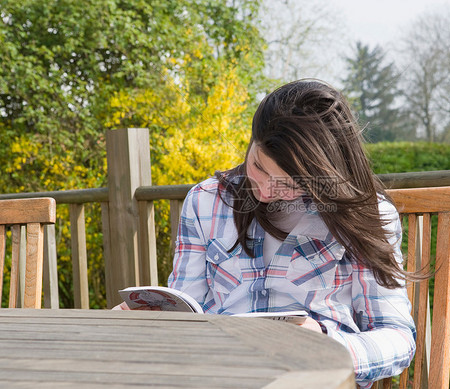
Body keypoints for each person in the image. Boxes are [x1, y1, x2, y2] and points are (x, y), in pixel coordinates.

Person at [120, 80, 416, 387]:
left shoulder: (368, 215)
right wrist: (153, 317)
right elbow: (187, 308)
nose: (264, 189)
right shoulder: (207, 201)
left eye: (289, 184)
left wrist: (326, 342)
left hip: (316, 378)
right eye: (258, 166)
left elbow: (398, 339)